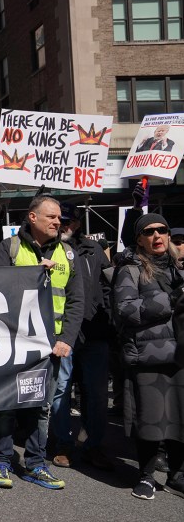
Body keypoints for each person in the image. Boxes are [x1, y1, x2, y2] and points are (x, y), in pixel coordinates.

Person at [0, 195, 83, 490]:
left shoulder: (68, 254)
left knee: (41, 406)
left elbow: (76, 301)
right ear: (32, 217)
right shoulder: (10, 247)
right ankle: (1, 461)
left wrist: (66, 339)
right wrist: (31, 276)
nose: (57, 222)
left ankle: (36, 464)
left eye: (59, 218)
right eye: (51, 216)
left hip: (51, 347)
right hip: (13, 342)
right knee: (7, 404)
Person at [113, 213, 184, 500]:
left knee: (180, 418)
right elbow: (125, 310)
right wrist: (171, 299)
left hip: (180, 356)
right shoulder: (130, 269)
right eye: (149, 231)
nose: (157, 236)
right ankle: (146, 475)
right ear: (139, 239)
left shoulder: (179, 269)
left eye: (162, 230)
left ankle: (177, 475)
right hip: (148, 357)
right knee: (150, 420)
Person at [52, 202, 115, 470]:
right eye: (60, 220)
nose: (64, 225)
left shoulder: (94, 250)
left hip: (94, 332)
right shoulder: (49, 249)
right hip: (62, 331)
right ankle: (62, 444)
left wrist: (107, 316)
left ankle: (93, 445)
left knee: (97, 393)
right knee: (61, 391)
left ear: (78, 223)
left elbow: (110, 286)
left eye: (69, 221)